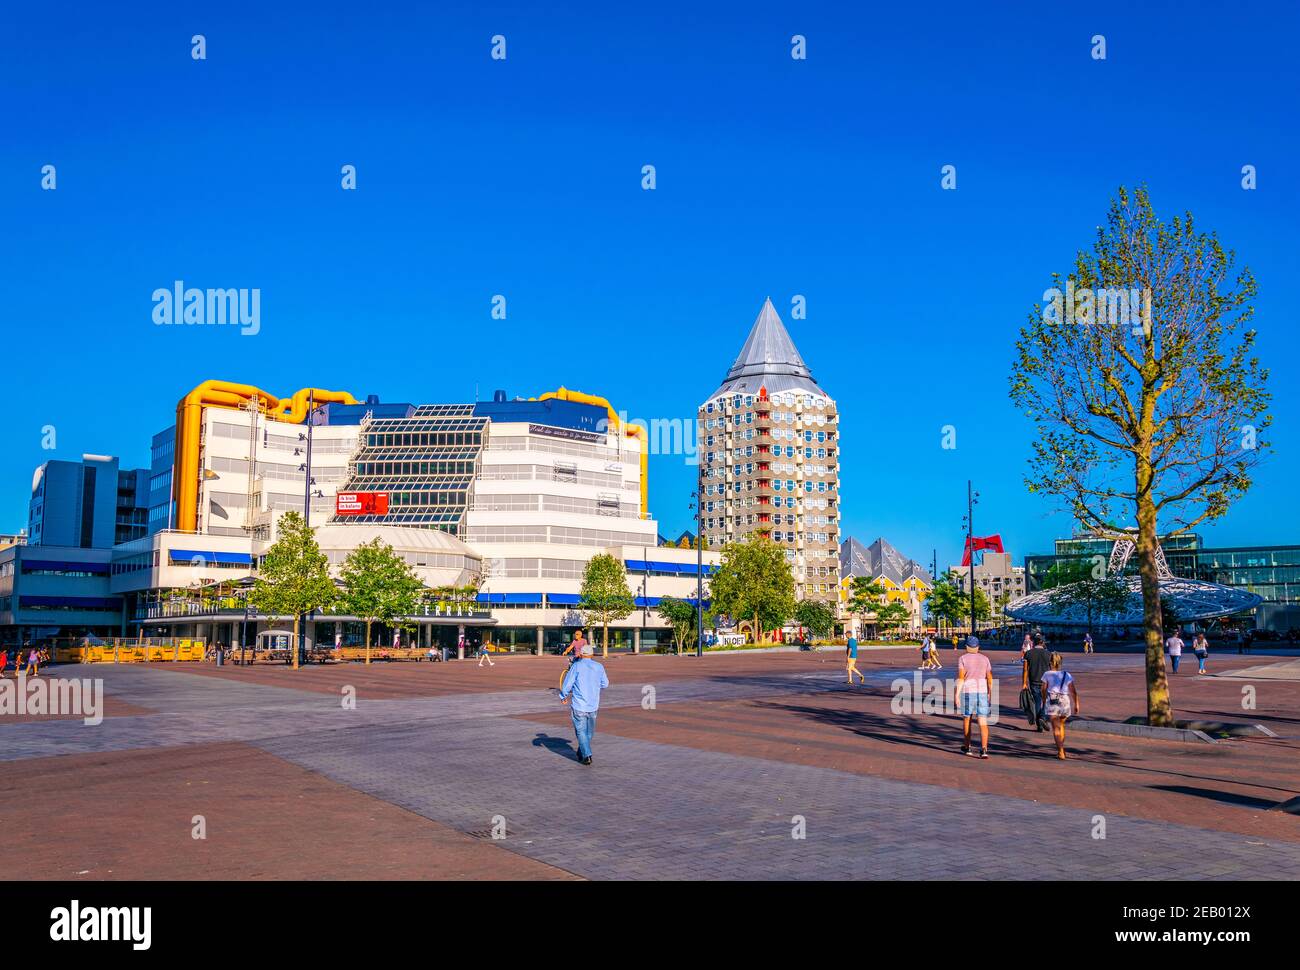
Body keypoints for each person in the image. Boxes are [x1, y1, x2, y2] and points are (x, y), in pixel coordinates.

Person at [558, 643, 609, 765]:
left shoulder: (576, 666)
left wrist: (563, 695)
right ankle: (583, 752)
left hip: (579, 705)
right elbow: (605, 684)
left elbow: (568, 683)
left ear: (581, 654)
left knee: (581, 731)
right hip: (593, 704)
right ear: (591, 654)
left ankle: (586, 755)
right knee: (589, 731)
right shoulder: (599, 666)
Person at [955, 636, 993, 759]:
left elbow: (961, 678)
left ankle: (967, 747)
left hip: (968, 691)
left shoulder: (962, 659)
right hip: (982, 691)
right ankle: (984, 749)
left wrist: (957, 695)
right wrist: (989, 693)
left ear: (967, 646)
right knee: (982, 721)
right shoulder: (985, 659)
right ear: (978, 647)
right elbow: (989, 678)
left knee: (967, 719)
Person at [1041, 653, 1081, 760]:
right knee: (1061, 726)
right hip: (1065, 701)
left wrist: (1044, 701)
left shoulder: (1047, 674)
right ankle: (1061, 749)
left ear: (1050, 662)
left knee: (1056, 728)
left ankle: (1061, 751)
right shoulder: (1067, 674)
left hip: (1053, 701)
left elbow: (1043, 690)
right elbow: (1073, 691)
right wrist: (1076, 703)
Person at [1022, 633, 1052, 732]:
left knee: (1037, 702)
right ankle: (1042, 717)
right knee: (1046, 701)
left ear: (1034, 642)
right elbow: (1052, 669)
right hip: (1046, 682)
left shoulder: (1029, 653)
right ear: (1043, 642)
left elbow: (1025, 670)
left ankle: (1039, 725)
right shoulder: (1048, 654)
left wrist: (1024, 683)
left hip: (1033, 680)